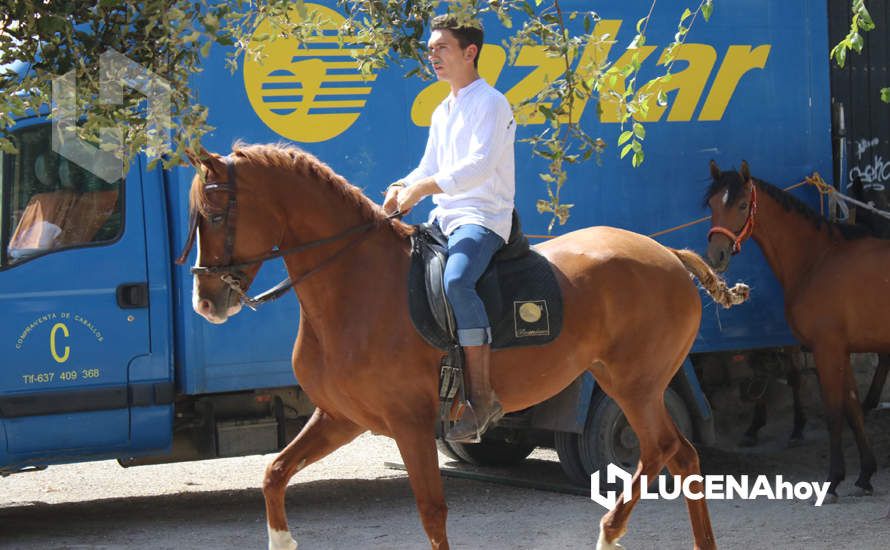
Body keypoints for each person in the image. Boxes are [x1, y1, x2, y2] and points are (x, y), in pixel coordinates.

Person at [383, 14, 516, 443]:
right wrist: (403, 184)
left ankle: (482, 398)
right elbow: (429, 167)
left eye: (441, 47)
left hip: (483, 218)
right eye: (430, 49)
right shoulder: (443, 109)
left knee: (458, 281)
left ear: (469, 52)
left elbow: (478, 166)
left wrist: (422, 187)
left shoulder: (492, 102)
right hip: (443, 220)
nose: (432, 55)